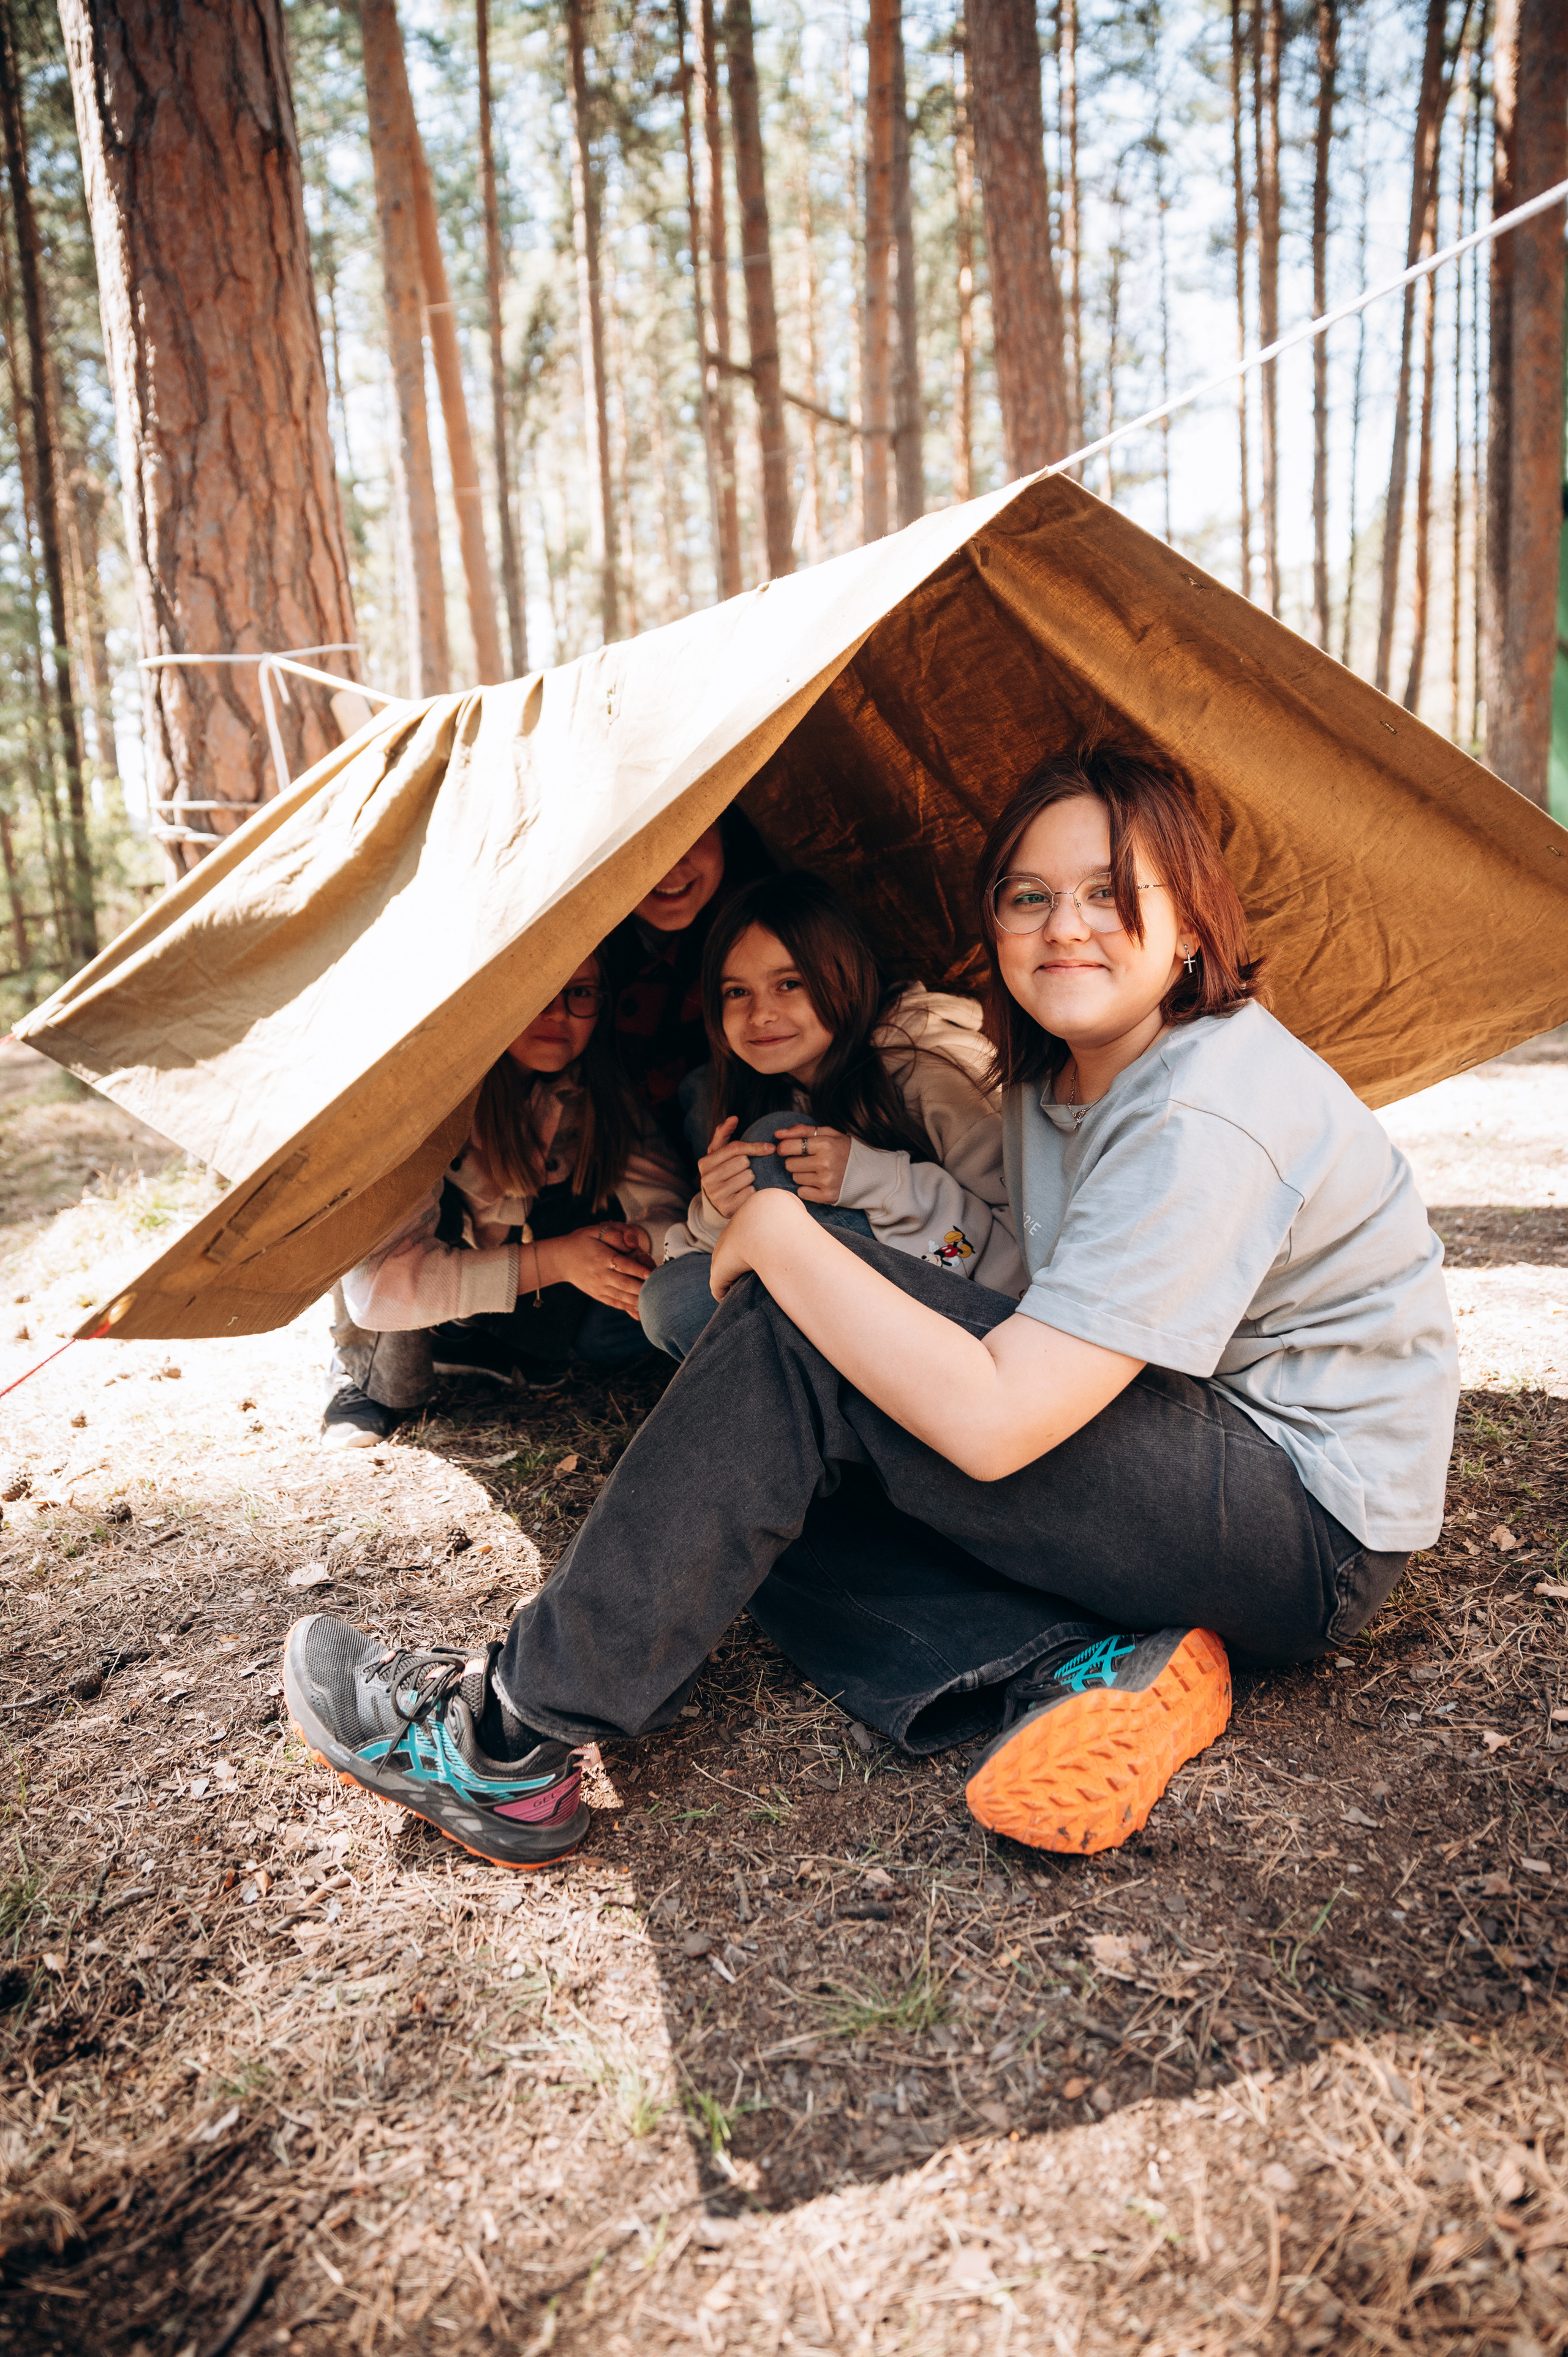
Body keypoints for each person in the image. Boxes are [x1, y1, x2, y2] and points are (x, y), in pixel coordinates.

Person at [284, 747, 1458, 1872]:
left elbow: (1000, 1422)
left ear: (1193, 920)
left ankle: (502, 1736)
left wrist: (794, 1237)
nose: (1065, 925)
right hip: (1171, 1442)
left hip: (1307, 1526)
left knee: (791, 1332)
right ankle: (1076, 1663)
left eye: (1111, 893)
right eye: (1030, 894)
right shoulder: (1062, 1073)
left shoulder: (1208, 1110)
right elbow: (1015, 1299)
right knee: (746, 1421)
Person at [640, 871, 1022, 1361]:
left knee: (774, 1141)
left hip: (971, 1328)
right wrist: (719, 1206)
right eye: (737, 992)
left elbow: (1022, 1250)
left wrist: (882, 1181)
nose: (760, 1014)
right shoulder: (767, 1087)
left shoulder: (930, 1074)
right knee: (671, 1299)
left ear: (845, 975)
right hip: (845, 1321)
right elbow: (699, 1270)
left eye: (789, 983)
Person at [321, 952, 685, 1447]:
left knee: (639, 1312)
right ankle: (362, 1371)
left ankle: (501, 1344)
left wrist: (631, 1240)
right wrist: (561, 1259)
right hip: (437, 1275)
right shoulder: (429, 1094)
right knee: (392, 1361)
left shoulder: (599, 1090)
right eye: (539, 990)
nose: (557, 1013)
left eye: (578, 993)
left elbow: (671, 1207)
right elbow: (379, 1287)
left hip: (528, 1299)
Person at [609, 807, 774, 1167]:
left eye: (690, 827)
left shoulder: (762, 925)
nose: (670, 862)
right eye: (641, 840)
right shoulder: (580, 951)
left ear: (724, 832)